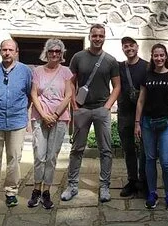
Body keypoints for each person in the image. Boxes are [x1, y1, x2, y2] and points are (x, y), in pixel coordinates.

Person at [61, 24, 120, 203]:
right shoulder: (78, 57)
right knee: (77, 149)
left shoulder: (110, 60)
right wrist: (74, 104)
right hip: (82, 109)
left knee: (106, 150)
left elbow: (117, 86)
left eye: (101, 36)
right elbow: (70, 82)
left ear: (104, 38)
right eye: (94, 36)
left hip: (102, 109)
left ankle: (104, 186)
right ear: (89, 36)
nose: (97, 39)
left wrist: (107, 106)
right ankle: (72, 185)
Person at [0, 39, 32, 209]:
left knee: (14, 159)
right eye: (4, 50)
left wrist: (21, 111)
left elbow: (30, 95)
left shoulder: (25, 71)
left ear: (16, 52)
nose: (7, 52)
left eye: (11, 49)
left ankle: (11, 192)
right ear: (0, 51)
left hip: (17, 122)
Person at [134, 43, 168, 211]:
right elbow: (141, 100)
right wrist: (137, 123)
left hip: (167, 123)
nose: (159, 58)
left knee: (166, 161)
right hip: (148, 123)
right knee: (149, 159)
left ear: (166, 56)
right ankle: (152, 193)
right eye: (156, 55)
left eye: (162, 55)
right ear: (152, 57)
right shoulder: (146, 75)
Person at [28, 39, 73, 209]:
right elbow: (33, 94)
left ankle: (46, 190)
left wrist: (54, 115)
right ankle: (36, 189)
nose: (54, 54)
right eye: (51, 51)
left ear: (61, 54)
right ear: (46, 53)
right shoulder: (37, 71)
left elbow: (68, 95)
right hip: (40, 117)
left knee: (52, 157)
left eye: (58, 51)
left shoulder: (66, 72)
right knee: (39, 155)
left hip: (59, 118)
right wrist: (44, 115)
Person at [117, 36, 148, 198]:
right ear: (123, 49)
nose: (129, 49)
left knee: (145, 149)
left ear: (137, 46)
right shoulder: (119, 67)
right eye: (126, 46)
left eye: (131, 45)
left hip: (144, 114)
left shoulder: (147, 66)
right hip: (125, 113)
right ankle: (132, 180)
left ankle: (143, 181)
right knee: (128, 149)